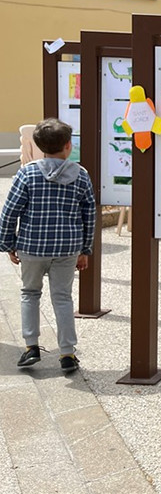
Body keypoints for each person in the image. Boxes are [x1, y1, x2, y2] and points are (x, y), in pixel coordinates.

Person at [0, 118, 95, 373]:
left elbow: (9, 212)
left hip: (31, 246)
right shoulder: (81, 175)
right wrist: (86, 249)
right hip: (67, 248)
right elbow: (89, 215)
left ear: (39, 146)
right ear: (68, 146)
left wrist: (8, 243)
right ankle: (67, 353)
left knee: (30, 293)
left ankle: (31, 347)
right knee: (62, 298)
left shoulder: (27, 173)